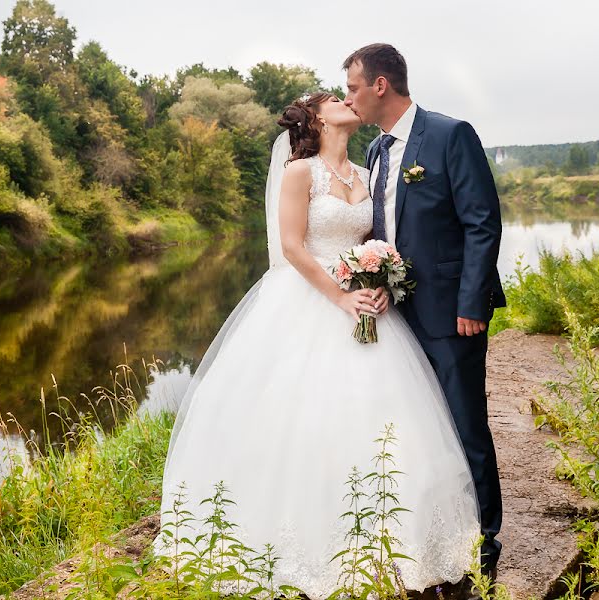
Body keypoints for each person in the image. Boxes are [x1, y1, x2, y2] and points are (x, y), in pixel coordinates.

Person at [152, 87, 481, 597]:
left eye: (347, 93)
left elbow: (379, 240)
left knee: (382, 419)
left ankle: (391, 538)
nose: (346, 101)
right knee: (305, 418)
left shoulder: (367, 172)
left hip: (367, 305)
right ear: (315, 119)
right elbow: (290, 246)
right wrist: (340, 298)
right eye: (334, 98)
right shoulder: (300, 172)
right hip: (310, 300)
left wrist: (379, 286)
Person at [343, 43, 505, 581]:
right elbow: (384, 231)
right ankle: (435, 530)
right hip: (397, 316)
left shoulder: (449, 134)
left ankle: (485, 537)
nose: (350, 98)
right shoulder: (374, 152)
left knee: (464, 423)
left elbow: (482, 222)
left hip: (450, 314)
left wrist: (471, 303)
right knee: (416, 429)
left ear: (380, 85)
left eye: (352, 87)